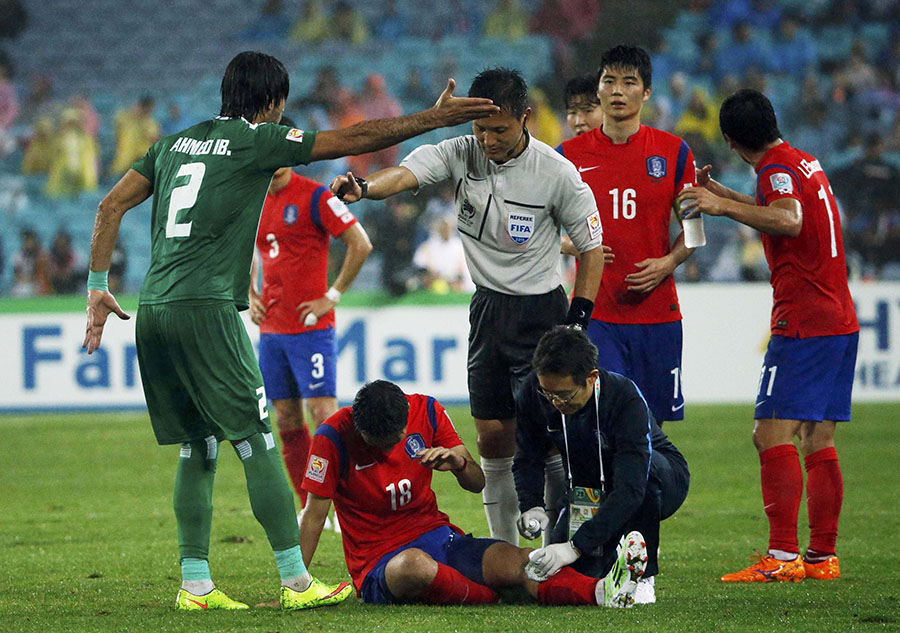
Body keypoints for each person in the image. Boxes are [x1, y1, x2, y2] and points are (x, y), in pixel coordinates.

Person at [81, 50, 500, 611]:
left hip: (153, 307)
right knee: (255, 439)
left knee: (198, 445)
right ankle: (296, 582)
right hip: (207, 310)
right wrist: (431, 118)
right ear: (274, 104)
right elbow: (355, 137)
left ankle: (195, 585)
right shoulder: (258, 140)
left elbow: (109, 207)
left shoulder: (171, 145)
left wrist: (96, 288)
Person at [331, 68, 605, 545]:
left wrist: (577, 321)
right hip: (487, 311)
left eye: (499, 130)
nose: (488, 140)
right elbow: (408, 172)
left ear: (525, 119)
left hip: (541, 314)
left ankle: (556, 549)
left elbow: (592, 249)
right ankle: (507, 551)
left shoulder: (557, 174)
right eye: (480, 129)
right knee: (492, 436)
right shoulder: (461, 152)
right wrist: (366, 188)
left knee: (548, 440)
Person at [678, 88, 859, 582]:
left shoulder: (775, 172)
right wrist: (723, 197)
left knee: (769, 434)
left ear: (732, 142)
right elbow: (779, 206)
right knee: (817, 438)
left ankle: (780, 559)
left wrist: (720, 209)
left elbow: (787, 219)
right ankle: (822, 558)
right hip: (838, 318)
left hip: (803, 320)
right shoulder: (802, 162)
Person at [299, 379, 648, 607]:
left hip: (440, 539)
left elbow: (478, 483)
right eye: (380, 443)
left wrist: (459, 464)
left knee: (522, 559)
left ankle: (603, 592)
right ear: (359, 429)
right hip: (379, 563)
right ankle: (489, 595)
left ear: (406, 417)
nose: (391, 447)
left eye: (397, 437)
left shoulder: (428, 410)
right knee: (415, 568)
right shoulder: (331, 437)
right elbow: (314, 516)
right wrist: (298, 583)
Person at [558, 45, 697, 428]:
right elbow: (540, 229)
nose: (618, 91)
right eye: (610, 81)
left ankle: (649, 491)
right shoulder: (567, 156)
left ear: (647, 93)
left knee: (653, 429)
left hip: (658, 314)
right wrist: (577, 246)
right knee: (604, 423)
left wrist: (668, 262)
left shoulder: (675, 153)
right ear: (599, 91)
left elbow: (694, 230)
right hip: (596, 313)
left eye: (629, 82)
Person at [249, 115, 373, 522]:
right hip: (272, 331)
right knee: (284, 417)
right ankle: (309, 503)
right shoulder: (250, 202)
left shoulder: (317, 196)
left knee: (323, 414)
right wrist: (249, 296)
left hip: (310, 329)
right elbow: (241, 253)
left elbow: (360, 243)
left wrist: (330, 296)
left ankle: (342, 500)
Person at [513, 325, 689, 605]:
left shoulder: (624, 397)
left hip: (659, 478)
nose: (556, 402)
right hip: (589, 483)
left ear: (592, 377)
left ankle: (643, 577)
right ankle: (616, 553)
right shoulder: (534, 391)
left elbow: (631, 488)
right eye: (549, 394)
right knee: (570, 572)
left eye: (566, 395)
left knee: (643, 481)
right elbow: (527, 455)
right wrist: (531, 504)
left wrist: (575, 546)